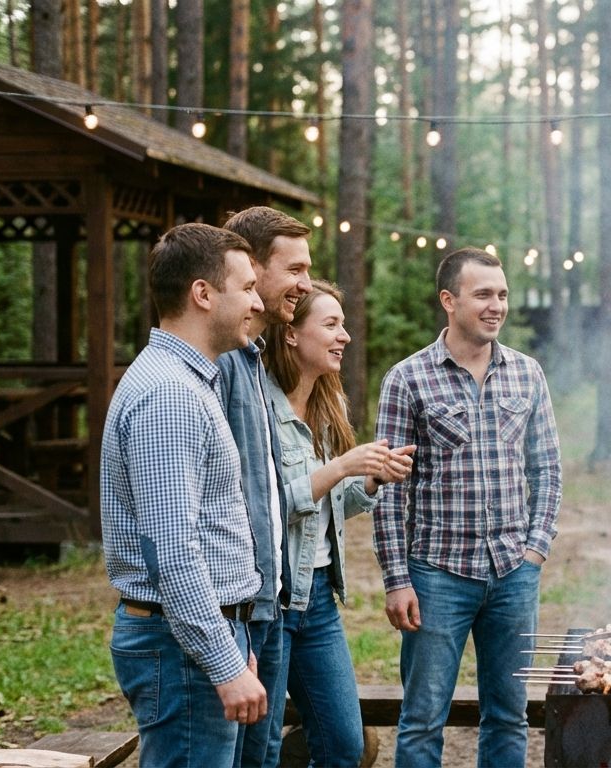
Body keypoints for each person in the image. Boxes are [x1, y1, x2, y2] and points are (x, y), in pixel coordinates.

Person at [374, 247, 562, 768]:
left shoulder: (528, 374)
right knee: (422, 721)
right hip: (437, 575)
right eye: (483, 294)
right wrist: (396, 579)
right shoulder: (407, 380)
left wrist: (535, 551)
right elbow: (390, 490)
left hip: (512, 574)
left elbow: (546, 469)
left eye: (501, 294)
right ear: (449, 301)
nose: (496, 305)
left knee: (508, 715)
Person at [101, 223, 267, 766]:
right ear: (203, 293)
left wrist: (234, 645)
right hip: (181, 651)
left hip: (196, 640)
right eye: (246, 287)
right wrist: (223, 661)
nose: (257, 302)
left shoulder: (189, 380)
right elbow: (172, 552)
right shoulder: (169, 395)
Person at [261, 280, 415, 766]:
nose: (344, 335)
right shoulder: (259, 408)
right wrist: (342, 466)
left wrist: (370, 477)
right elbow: (262, 509)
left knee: (344, 744)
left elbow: (329, 502)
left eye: (343, 324)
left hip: (318, 598)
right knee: (260, 748)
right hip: (272, 601)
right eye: (331, 325)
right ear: (291, 335)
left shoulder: (329, 403)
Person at [219, 206, 314, 766]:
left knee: (262, 758)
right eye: (294, 270)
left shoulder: (255, 359)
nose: (305, 285)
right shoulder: (223, 364)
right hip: (239, 609)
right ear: (253, 269)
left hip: (269, 601)